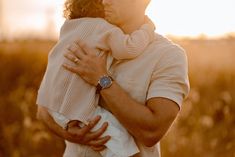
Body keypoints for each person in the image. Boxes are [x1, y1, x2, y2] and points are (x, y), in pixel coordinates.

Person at [37, 0, 190, 157]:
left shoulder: (168, 55)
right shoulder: (84, 36)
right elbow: (43, 110)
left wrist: (101, 79)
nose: (105, 1)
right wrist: (68, 134)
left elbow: (152, 131)